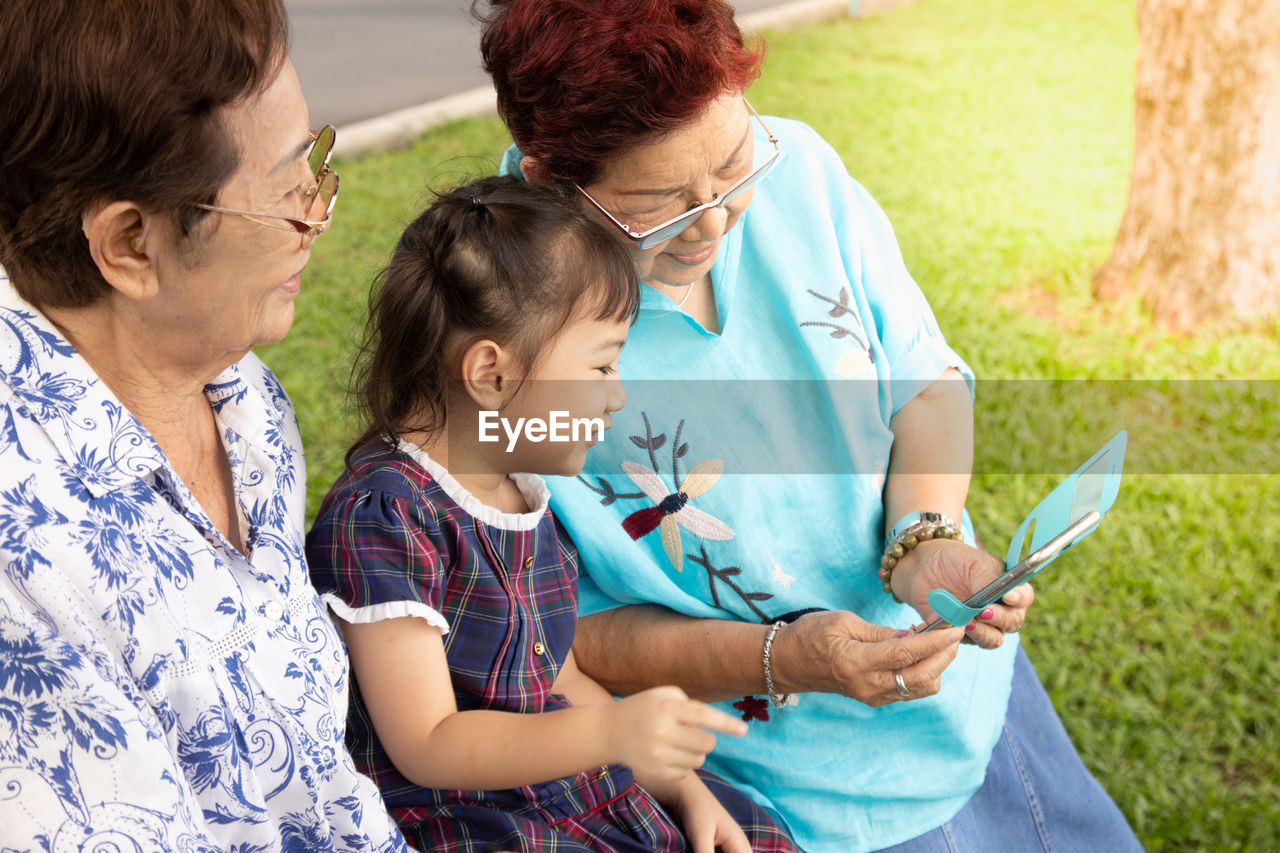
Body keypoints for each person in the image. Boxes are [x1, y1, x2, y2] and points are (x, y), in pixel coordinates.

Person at [473, 1, 1146, 851]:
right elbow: (562, 635)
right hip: (794, 792)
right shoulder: (495, 332)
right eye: (661, 207)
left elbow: (925, 380)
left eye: (731, 164)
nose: (716, 220)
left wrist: (924, 536)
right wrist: (785, 656)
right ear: (547, 182)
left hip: (972, 701)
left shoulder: (801, 171)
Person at [0, 1, 407, 849]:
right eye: (288, 188)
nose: (316, 215)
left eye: (315, 167)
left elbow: (321, 781)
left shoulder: (239, 395)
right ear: (131, 247)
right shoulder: (24, 562)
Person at [305, 176, 801, 853]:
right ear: (493, 374)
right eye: (600, 366)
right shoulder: (385, 516)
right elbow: (427, 742)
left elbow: (558, 677)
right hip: (476, 819)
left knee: (751, 830)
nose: (616, 395)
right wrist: (609, 736)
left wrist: (681, 785)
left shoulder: (519, 492)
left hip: (566, 782)